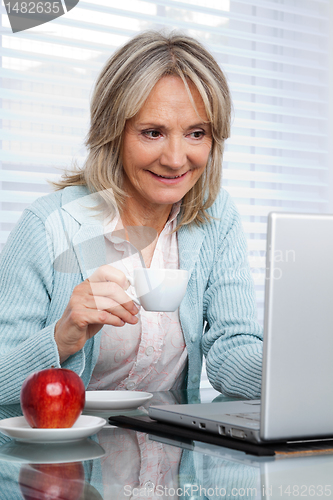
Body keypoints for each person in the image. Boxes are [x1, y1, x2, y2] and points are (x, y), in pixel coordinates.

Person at [0, 31, 263, 405]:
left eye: (196, 133)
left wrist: (298, 372)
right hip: (69, 455)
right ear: (113, 133)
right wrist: (63, 338)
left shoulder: (216, 217)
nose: (175, 159)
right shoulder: (49, 225)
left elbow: (231, 348)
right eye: (152, 133)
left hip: (172, 454)